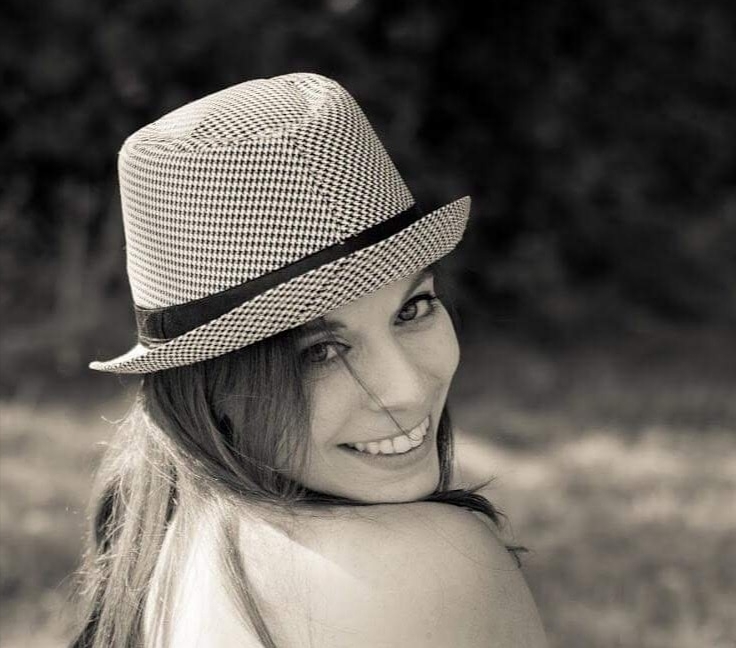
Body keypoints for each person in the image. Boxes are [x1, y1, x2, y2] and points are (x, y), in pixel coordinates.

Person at [72, 73, 547, 647]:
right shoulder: (432, 563)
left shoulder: (168, 543)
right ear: (213, 382)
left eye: (412, 309)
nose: (405, 390)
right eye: (320, 350)